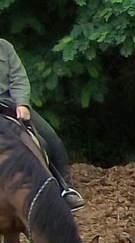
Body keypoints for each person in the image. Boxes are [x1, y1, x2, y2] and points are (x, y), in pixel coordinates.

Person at [0, 37, 84, 210]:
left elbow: (18, 77)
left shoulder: (5, 47)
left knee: (51, 139)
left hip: (9, 102)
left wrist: (22, 103)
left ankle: (65, 189)